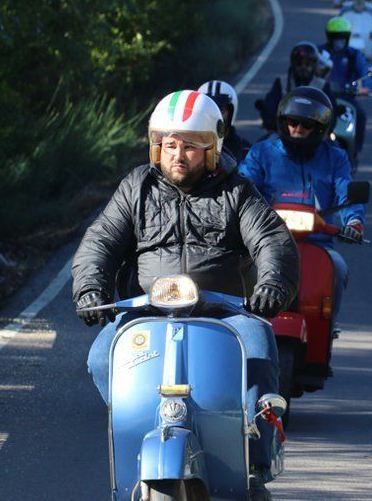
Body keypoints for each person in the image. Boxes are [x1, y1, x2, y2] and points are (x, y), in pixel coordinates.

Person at [72, 90, 298, 501]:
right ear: (157, 145)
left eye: (191, 146)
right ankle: (139, 432)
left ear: (212, 148)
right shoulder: (136, 187)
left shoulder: (237, 192)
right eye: (170, 144)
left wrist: (272, 285)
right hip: (146, 312)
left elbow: (272, 241)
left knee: (259, 349)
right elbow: (100, 242)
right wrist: (90, 287)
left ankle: (255, 457)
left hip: (225, 311)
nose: (179, 155)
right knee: (101, 358)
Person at [239, 86, 364, 328]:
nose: (297, 129)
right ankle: (244, 328)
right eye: (292, 122)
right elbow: (242, 189)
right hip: (264, 241)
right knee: (238, 272)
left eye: (305, 125)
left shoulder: (336, 157)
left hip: (318, 243)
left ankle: (325, 327)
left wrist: (353, 222)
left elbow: (346, 193)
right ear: (282, 122)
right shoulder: (261, 152)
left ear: (319, 128)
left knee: (338, 269)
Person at [258, 42, 336, 136]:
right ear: (293, 64)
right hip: (283, 133)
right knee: (260, 147)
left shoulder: (323, 85)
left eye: (307, 64)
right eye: (299, 63)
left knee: (335, 149)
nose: (303, 67)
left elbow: (332, 110)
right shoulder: (281, 82)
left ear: (314, 65)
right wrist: (269, 119)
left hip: (315, 135)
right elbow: (270, 104)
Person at [319, 16, 372, 153]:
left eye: (342, 37)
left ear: (348, 38)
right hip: (322, 96)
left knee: (360, 115)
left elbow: (365, 71)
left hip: (346, 97)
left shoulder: (354, 55)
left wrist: (367, 87)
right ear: (329, 37)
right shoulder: (319, 53)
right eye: (336, 37)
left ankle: (354, 152)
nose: (339, 41)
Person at [198, 79, 252, 162]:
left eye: (221, 109)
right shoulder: (186, 147)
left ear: (231, 112)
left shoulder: (246, 151)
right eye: (209, 109)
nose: (214, 114)